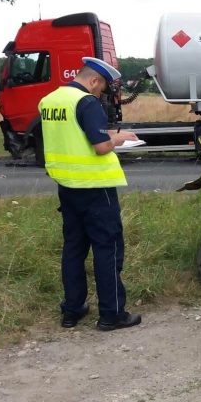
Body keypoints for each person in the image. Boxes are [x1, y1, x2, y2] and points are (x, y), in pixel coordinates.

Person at [38, 56, 142, 330]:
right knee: (108, 248)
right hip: (96, 188)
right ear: (93, 80)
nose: (101, 93)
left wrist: (107, 132)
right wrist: (118, 138)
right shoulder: (86, 102)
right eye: (102, 87)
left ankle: (72, 310)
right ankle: (112, 314)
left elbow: (73, 133)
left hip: (68, 186)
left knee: (73, 249)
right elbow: (101, 147)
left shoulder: (50, 100)